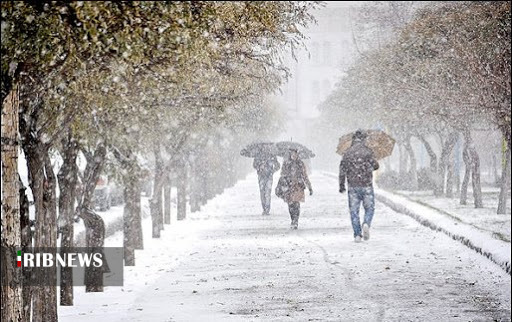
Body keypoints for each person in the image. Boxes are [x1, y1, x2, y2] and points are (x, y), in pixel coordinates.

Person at [339, 130, 379, 242]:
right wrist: (369, 164)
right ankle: (366, 223)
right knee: (370, 208)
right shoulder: (368, 151)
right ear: (363, 139)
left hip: (352, 186)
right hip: (366, 184)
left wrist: (341, 185)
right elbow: (376, 166)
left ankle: (357, 234)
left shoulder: (347, 153)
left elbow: (342, 170)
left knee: (354, 211)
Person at [277, 149, 313, 229]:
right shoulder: (286, 164)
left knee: (296, 204)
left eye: (295, 154)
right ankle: (292, 219)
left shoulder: (300, 164)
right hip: (289, 186)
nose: (294, 156)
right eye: (292, 154)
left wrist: (309, 187)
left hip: (298, 186)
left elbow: (305, 176)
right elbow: (282, 174)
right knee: (290, 204)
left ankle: (295, 220)